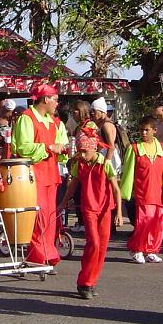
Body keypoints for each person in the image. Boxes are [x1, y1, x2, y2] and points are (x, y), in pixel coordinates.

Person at [57, 126, 122, 299]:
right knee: (93, 243)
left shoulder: (105, 164)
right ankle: (85, 282)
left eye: (85, 151)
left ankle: (90, 281)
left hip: (105, 209)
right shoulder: (80, 165)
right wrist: (63, 203)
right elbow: (72, 186)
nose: (82, 154)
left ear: (94, 148)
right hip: (89, 208)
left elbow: (116, 189)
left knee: (101, 247)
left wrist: (119, 213)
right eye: (80, 151)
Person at [11, 83, 69, 269]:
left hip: (51, 174)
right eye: (55, 100)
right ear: (46, 99)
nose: (57, 104)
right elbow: (22, 147)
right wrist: (48, 148)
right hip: (33, 175)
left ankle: (48, 254)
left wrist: (65, 151)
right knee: (38, 217)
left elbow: (62, 145)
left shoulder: (53, 121)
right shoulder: (27, 119)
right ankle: (38, 256)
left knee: (50, 217)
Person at [120, 116, 163, 264]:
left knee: (156, 223)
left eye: (147, 130)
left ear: (154, 130)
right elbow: (128, 172)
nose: (144, 133)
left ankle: (151, 250)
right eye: (141, 130)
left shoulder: (162, 147)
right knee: (144, 222)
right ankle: (137, 249)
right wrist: (125, 193)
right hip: (142, 193)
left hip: (157, 193)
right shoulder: (134, 149)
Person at [68, 100, 92, 233]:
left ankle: (85, 222)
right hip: (78, 164)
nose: (74, 114)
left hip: (87, 165)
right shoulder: (78, 127)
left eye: (76, 111)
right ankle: (81, 220)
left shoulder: (90, 125)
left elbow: (93, 145)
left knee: (84, 194)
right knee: (77, 194)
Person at [90, 97, 120, 172]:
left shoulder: (106, 125)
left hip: (109, 160)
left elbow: (111, 147)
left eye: (94, 111)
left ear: (102, 111)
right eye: (91, 111)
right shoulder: (102, 124)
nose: (92, 113)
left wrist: (106, 163)